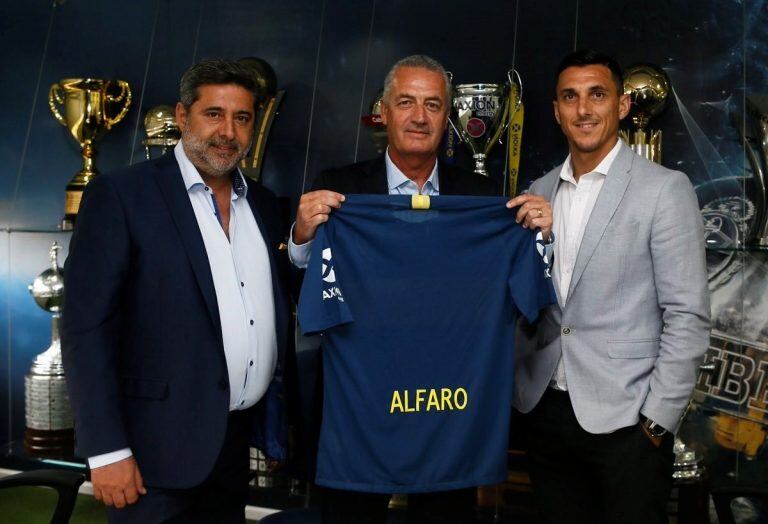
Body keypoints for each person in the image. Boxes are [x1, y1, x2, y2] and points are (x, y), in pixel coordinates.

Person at [290, 54, 553, 524]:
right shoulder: (339, 190)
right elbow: (305, 282)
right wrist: (302, 237)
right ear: (383, 112)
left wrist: (538, 240)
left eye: (433, 105)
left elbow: (525, 297)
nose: (419, 116)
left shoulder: (484, 198)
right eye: (406, 102)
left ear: (447, 118)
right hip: (361, 411)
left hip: (449, 411)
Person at [61, 59, 291, 524]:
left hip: (231, 449)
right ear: (183, 116)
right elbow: (87, 328)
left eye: (242, 118)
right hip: (151, 457)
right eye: (214, 114)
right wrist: (105, 448)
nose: (227, 131)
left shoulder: (264, 205)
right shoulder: (121, 195)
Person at [514, 49, 710, 524]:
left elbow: (687, 314)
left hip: (629, 422)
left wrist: (656, 421)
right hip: (546, 413)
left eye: (597, 94)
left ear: (621, 106)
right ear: (557, 111)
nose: (584, 109)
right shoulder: (536, 191)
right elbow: (527, 303)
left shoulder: (665, 189)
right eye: (570, 97)